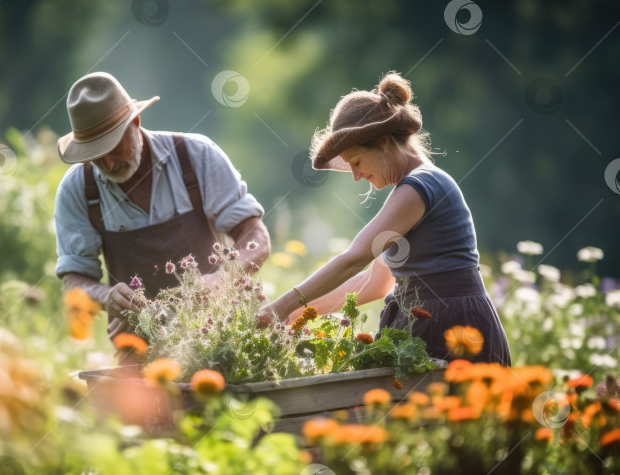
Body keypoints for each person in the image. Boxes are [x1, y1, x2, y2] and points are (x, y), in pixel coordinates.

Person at [258, 72, 510, 365]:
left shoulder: (419, 186)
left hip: (454, 324)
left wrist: (280, 306)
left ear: (384, 142)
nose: (355, 175)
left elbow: (355, 258)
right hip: (431, 320)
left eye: (356, 161)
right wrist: (296, 315)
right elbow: (376, 283)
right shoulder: (412, 189)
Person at [54, 72, 270, 354]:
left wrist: (223, 277)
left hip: (221, 335)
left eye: (113, 147)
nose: (107, 163)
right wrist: (106, 296)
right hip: (140, 347)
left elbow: (256, 237)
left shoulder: (196, 156)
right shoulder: (78, 189)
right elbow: (74, 281)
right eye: (95, 153)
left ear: (135, 122)